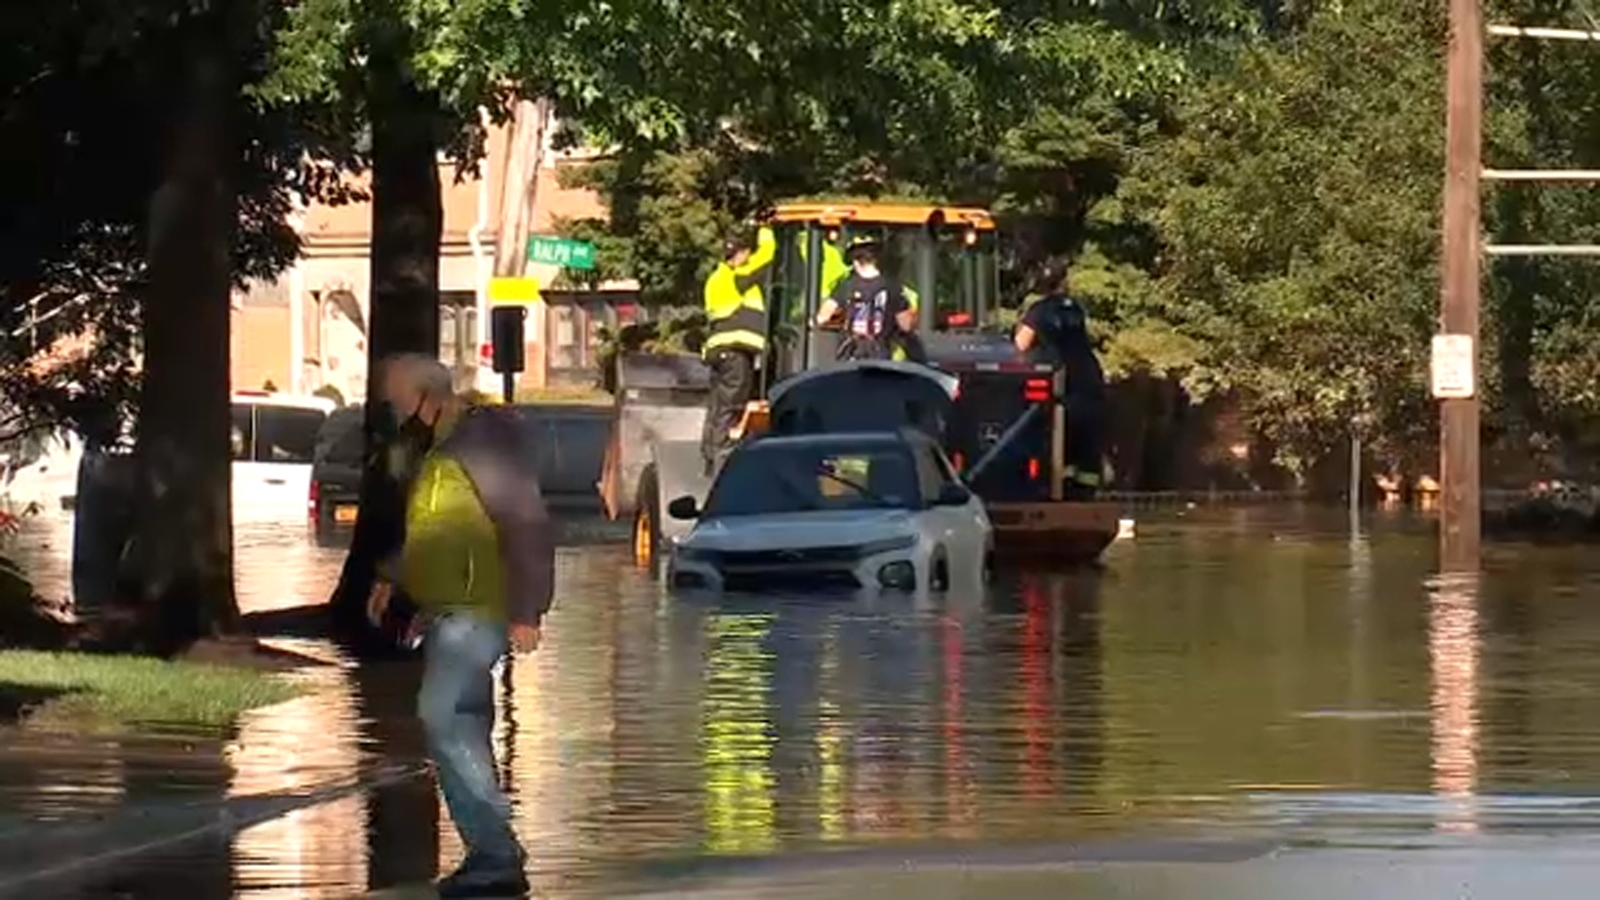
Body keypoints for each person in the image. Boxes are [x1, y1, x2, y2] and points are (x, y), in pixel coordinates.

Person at [366, 353, 554, 899]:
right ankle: (493, 855)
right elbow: (439, 531)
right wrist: (394, 578)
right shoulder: (444, 451)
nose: (401, 418)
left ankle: (495, 854)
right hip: (450, 611)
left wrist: (527, 609)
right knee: (459, 722)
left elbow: (525, 521)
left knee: (444, 715)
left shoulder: (481, 442)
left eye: (403, 405)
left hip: (478, 611)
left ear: (429, 397)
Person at [1013, 260, 1107, 497]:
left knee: (1058, 440)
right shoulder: (1074, 308)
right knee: (1085, 445)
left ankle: (1057, 490)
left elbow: (1019, 345)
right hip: (1089, 381)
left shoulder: (1040, 311)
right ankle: (1084, 493)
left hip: (1064, 383)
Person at [701, 224, 776, 474]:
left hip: (719, 352)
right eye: (746, 253)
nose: (748, 257)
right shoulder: (738, 277)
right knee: (732, 405)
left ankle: (711, 454)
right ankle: (724, 456)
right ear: (740, 255)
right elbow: (766, 256)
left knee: (718, 406)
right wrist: (766, 231)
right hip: (734, 353)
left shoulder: (717, 278)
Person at [814, 234, 921, 361]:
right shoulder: (892, 287)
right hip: (880, 356)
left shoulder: (846, 286)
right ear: (876, 260)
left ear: (855, 262)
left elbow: (822, 318)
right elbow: (906, 325)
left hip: (851, 356)